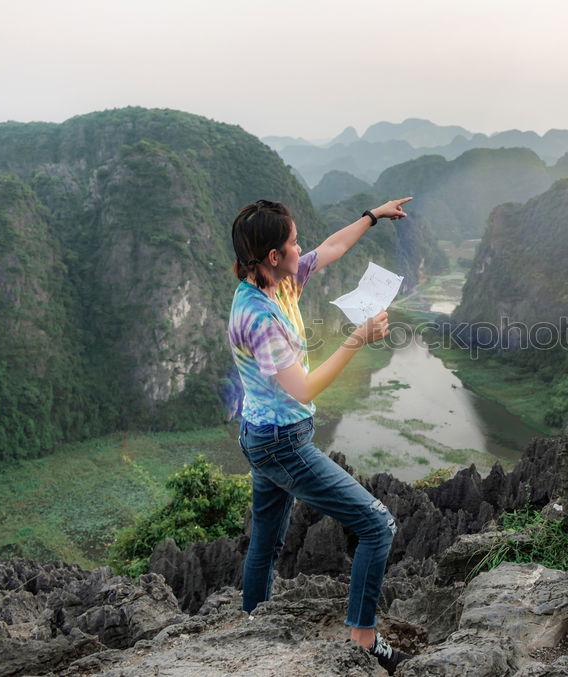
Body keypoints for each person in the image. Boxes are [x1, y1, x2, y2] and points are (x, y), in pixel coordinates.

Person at [227, 197, 413, 674]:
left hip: (264, 434)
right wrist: (358, 339)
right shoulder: (258, 315)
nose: (300, 247)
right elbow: (303, 387)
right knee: (378, 525)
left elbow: (331, 247)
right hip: (281, 443)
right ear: (273, 255)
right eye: (292, 242)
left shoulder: (279, 281)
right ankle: (364, 639)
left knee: (266, 543)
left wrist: (373, 216)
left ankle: (253, 630)